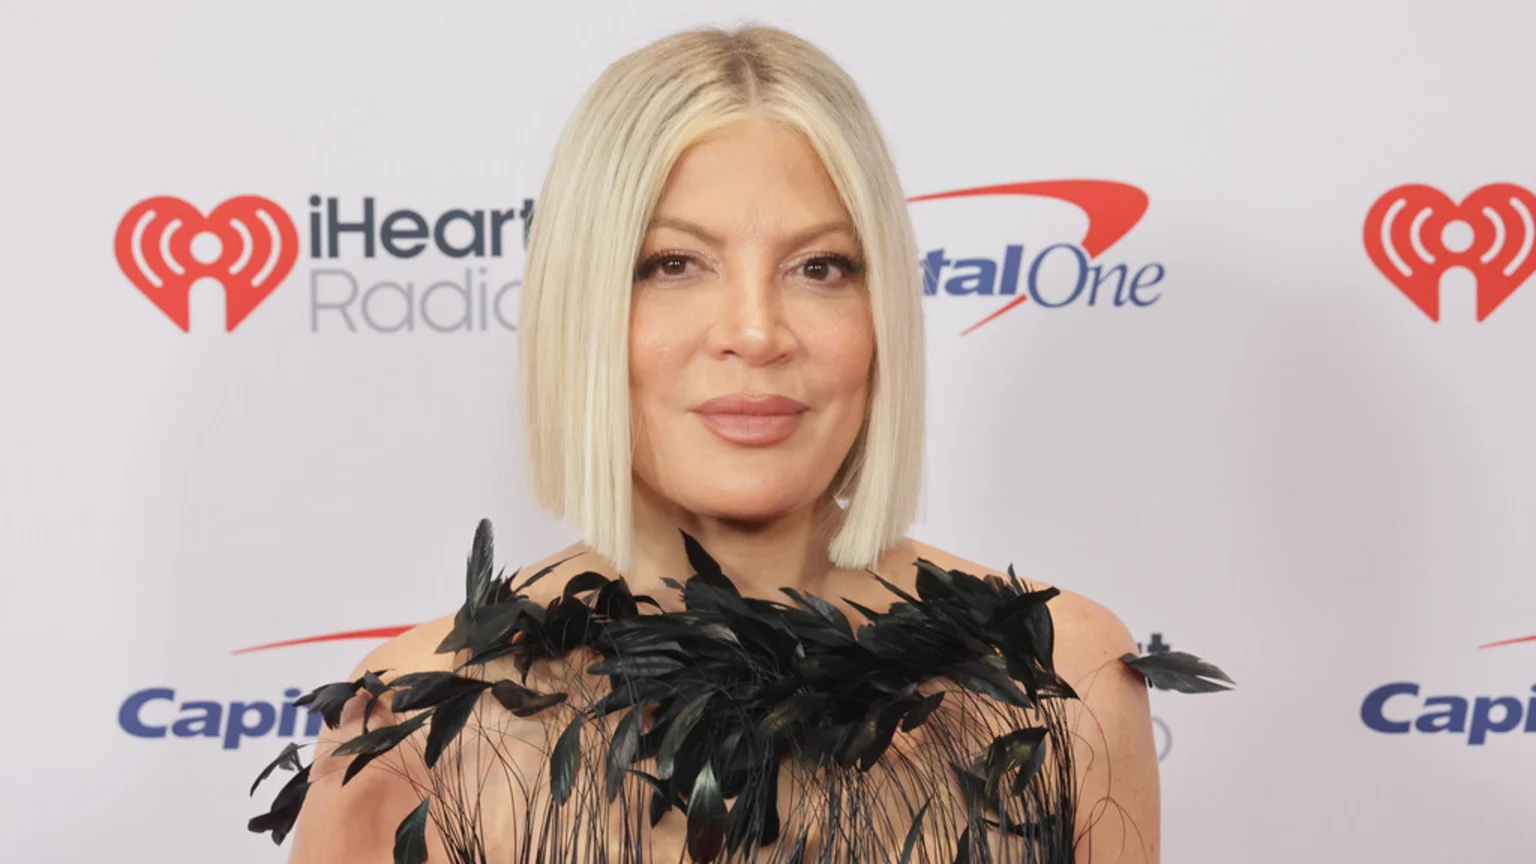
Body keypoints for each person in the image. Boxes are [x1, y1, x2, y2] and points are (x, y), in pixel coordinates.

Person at [249, 24, 1230, 864]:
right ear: (583, 308)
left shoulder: (1060, 683)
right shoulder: (414, 729)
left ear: (881, 310)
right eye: (674, 263)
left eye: (820, 266)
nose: (756, 331)